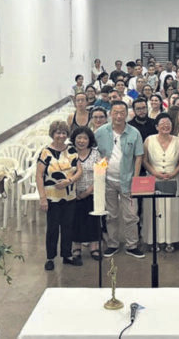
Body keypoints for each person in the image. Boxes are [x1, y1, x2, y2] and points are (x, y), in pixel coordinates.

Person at [94, 101, 146, 259]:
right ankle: (112, 244)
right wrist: (99, 177)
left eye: (122, 112)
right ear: (110, 114)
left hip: (128, 181)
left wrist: (135, 179)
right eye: (115, 112)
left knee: (131, 215)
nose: (118, 116)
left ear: (127, 114)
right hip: (107, 180)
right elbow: (96, 155)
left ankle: (132, 245)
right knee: (111, 215)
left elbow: (138, 157)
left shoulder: (134, 133)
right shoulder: (100, 132)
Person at [37, 121, 81, 270]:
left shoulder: (72, 149)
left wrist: (69, 181)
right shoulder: (45, 152)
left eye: (64, 133)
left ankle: (67, 255)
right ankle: (50, 257)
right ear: (52, 134)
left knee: (68, 226)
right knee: (53, 228)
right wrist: (43, 198)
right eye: (58, 133)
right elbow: (39, 175)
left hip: (70, 195)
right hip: (52, 197)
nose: (61, 136)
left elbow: (79, 171)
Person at [141, 113, 179, 252]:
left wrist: (174, 173)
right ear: (156, 126)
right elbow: (144, 160)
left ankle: (170, 241)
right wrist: (154, 173)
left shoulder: (177, 140)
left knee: (171, 211)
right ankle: (153, 240)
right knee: (154, 210)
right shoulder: (149, 140)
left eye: (168, 123)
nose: (165, 126)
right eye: (162, 123)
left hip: (173, 179)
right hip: (154, 179)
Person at [70, 126, 103, 261]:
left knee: (92, 221)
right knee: (75, 221)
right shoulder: (70, 152)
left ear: (90, 140)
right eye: (79, 138)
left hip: (92, 193)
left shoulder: (96, 154)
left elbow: (101, 174)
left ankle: (94, 248)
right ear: (74, 139)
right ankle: (76, 247)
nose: (82, 141)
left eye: (85, 138)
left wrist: (88, 191)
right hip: (73, 194)